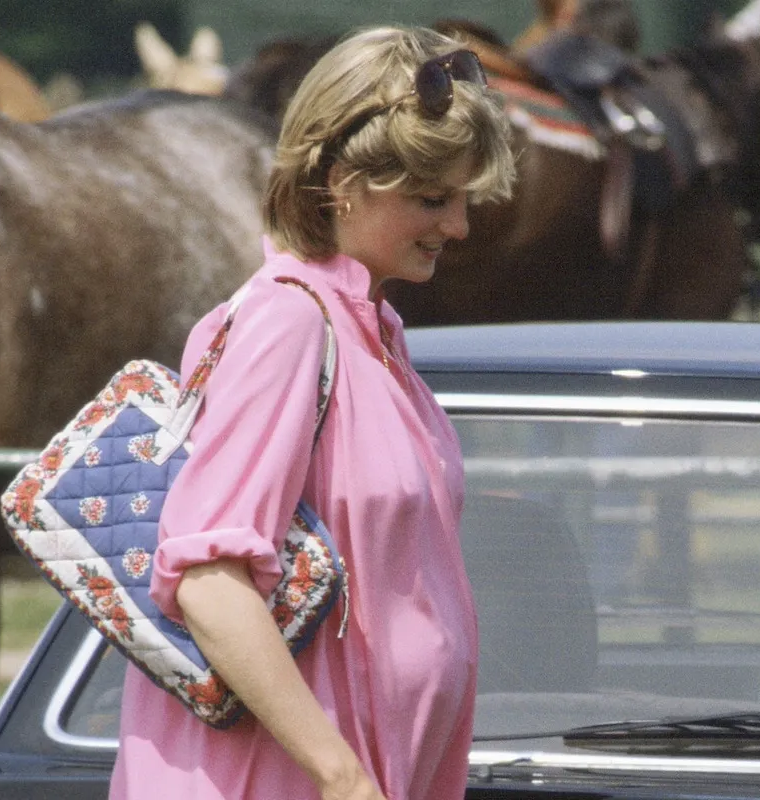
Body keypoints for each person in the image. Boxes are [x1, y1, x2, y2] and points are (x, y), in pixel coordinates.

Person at [109, 25, 516, 800]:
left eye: (463, 197)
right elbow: (209, 579)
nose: (458, 226)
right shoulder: (290, 324)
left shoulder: (374, 328)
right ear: (340, 182)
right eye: (433, 198)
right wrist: (340, 775)